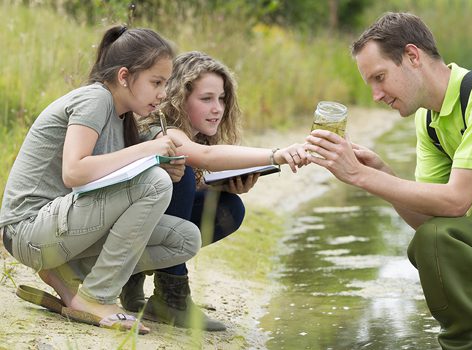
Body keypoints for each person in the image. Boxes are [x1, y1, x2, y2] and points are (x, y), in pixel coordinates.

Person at [304, 12, 472, 350]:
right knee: (435, 239)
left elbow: (456, 201)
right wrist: (382, 174)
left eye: (380, 77)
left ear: (412, 56)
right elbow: (432, 226)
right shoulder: (430, 122)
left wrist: (361, 175)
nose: (376, 94)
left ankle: (470, 345)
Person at [0, 25, 202, 335]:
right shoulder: (95, 99)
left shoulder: (122, 118)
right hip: (28, 230)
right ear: (124, 76)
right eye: (156, 82)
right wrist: (147, 151)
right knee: (154, 184)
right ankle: (97, 296)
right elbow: (75, 171)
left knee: (185, 238)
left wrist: (159, 165)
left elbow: (106, 184)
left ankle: (67, 276)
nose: (163, 93)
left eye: (166, 83)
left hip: (62, 229)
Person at [120, 51, 309, 331]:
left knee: (228, 208)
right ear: (179, 99)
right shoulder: (163, 131)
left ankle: (139, 277)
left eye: (221, 99)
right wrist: (276, 155)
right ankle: (172, 295)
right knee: (180, 173)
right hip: (119, 231)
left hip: (144, 227)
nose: (217, 108)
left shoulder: (189, 132)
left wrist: (221, 185)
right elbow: (205, 157)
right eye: (206, 99)